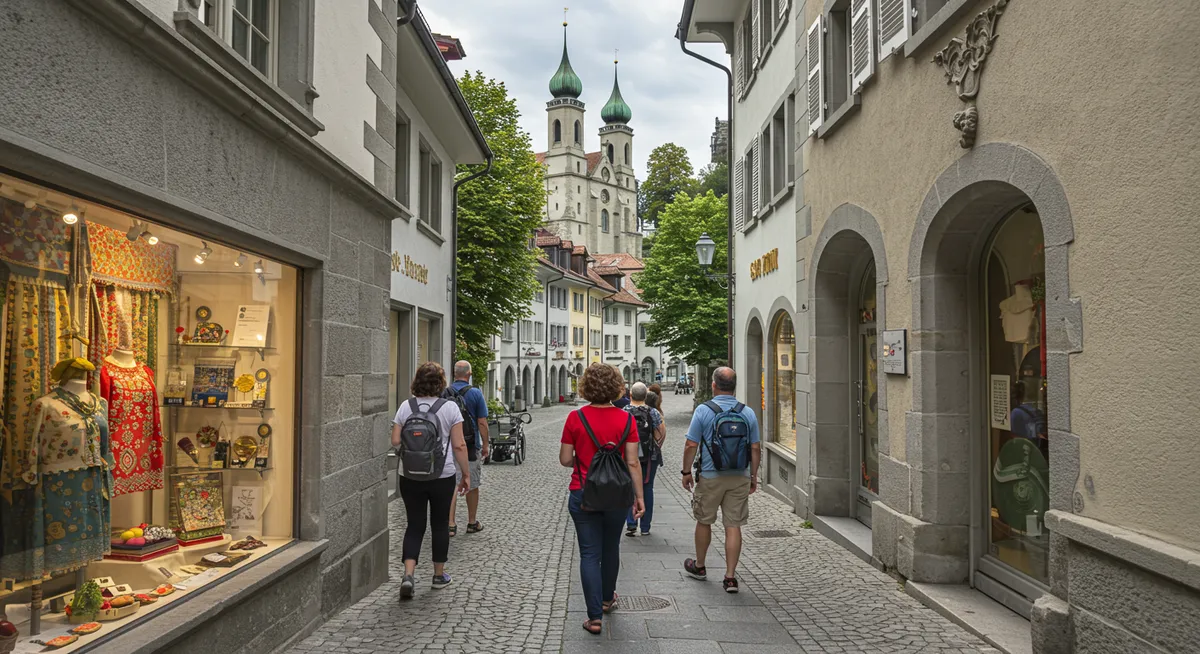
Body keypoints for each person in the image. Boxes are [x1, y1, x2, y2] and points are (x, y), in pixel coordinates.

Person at [560, 364, 645, 635]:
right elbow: (633, 462)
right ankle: (608, 599)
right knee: (611, 547)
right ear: (616, 387)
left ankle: (594, 617)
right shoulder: (626, 420)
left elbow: (565, 459)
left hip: (583, 491)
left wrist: (586, 458)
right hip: (617, 495)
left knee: (589, 553)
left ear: (586, 387)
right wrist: (639, 497)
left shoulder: (575, 418)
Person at [391, 362, 471, 600]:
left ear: (417, 381)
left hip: (409, 475)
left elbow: (395, 440)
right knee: (439, 524)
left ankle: (408, 575)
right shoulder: (450, 408)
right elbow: (459, 445)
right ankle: (438, 575)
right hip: (441, 475)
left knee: (414, 525)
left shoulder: (406, 406)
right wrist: (466, 474)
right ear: (441, 383)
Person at [681, 367, 760, 593]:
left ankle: (700, 566)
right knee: (733, 525)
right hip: (739, 476)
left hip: (710, 476)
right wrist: (753, 475)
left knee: (704, 520)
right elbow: (755, 448)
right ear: (734, 386)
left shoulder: (703, 410)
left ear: (714, 385)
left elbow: (691, 444)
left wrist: (686, 472)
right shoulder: (748, 413)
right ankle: (730, 577)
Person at [445, 361, 489, 536]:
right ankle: (472, 522)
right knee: (473, 483)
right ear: (469, 374)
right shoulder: (475, 393)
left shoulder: (444, 393)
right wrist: (485, 444)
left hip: (448, 445)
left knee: (451, 484)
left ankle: (450, 524)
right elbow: (482, 422)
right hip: (470, 445)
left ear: (454, 373)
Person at [625, 383, 665, 537]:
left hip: (628, 456)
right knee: (647, 488)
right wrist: (656, 446)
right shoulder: (653, 412)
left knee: (629, 487)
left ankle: (631, 522)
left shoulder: (624, 411)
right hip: (649, 457)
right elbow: (661, 433)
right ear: (645, 396)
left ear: (630, 395)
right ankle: (645, 526)